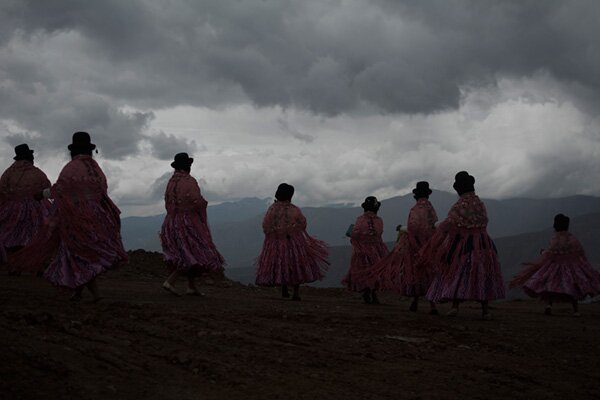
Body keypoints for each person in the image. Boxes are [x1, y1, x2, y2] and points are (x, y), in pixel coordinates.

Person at [9, 132, 128, 301]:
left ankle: (96, 295)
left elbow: (59, 189)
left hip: (75, 218)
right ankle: (78, 292)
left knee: (78, 253)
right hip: (98, 217)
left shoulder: (71, 168)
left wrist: (41, 195)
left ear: (73, 150)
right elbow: (101, 192)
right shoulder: (96, 169)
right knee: (82, 252)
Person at [425, 171, 504, 319]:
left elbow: (449, 224)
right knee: (483, 274)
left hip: (466, 245)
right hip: (485, 243)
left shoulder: (459, 206)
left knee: (458, 273)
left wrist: (435, 228)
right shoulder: (480, 204)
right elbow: (484, 221)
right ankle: (485, 310)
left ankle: (455, 306)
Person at [368, 182, 439, 314]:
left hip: (415, 246)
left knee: (416, 273)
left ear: (416, 195)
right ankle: (432, 305)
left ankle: (415, 301)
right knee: (429, 273)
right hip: (429, 246)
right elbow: (433, 225)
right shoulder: (431, 209)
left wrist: (402, 229)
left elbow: (413, 227)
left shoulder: (415, 209)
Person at [160, 153, 225, 296]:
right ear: (187, 166)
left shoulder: (171, 182)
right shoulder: (189, 181)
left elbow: (168, 202)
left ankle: (191, 286)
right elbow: (197, 200)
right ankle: (170, 281)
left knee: (186, 252)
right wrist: (203, 205)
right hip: (188, 223)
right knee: (191, 253)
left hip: (171, 222)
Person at [510, 214, 600, 316]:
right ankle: (576, 311)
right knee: (573, 288)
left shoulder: (555, 239)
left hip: (555, 268)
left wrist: (543, 252)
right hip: (571, 268)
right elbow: (579, 253)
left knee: (551, 287)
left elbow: (550, 253)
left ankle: (549, 306)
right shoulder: (573, 239)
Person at [255, 183, 329, 301]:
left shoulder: (272, 209)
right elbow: (302, 224)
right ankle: (296, 293)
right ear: (290, 196)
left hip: (276, 244)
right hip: (294, 243)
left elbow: (265, 225)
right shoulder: (294, 210)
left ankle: (284, 287)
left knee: (281, 264)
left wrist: (275, 235)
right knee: (295, 265)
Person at [0, 144, 52, 274]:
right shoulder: (36, 172)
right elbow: (47, 187)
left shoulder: (8, 173)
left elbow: (2, 190)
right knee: (37, 237)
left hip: (12, 209)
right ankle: (38, 266)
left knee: (12, 238)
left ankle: (14, 266)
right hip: (36, 208)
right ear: (29, 156)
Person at [342, 196, 389, 304]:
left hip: (362, 250)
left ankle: (367, 291)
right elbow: (379, 233)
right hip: (377, 250)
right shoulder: (379, 221)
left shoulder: (360, 220)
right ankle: (373, 293)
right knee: (375, 271)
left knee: (365, 271)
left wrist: (353, 236)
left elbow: (355, 234)